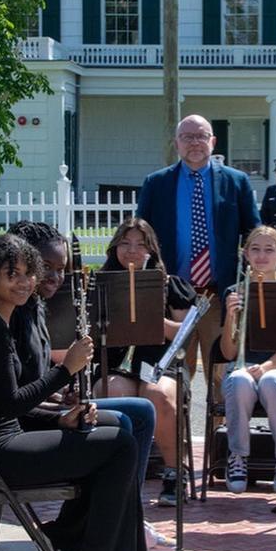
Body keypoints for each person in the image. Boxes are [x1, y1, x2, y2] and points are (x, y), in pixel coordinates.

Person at [0, 234, 146, 551]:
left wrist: (62, 420)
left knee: (111, 430)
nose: (24, 282)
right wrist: (66, 370)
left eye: (28, 273)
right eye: (13, 274)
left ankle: (69, 544)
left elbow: (1, 406)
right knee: (120, 446)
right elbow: (8, 405)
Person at [3, 221, 172, 551]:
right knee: (121, 427)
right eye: (45, 268)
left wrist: (62, 396)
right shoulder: (12, 317)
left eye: (61, 269)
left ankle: (123, 515)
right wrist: (64, 383)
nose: (55, 278)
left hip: (38, 415)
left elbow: (32, 384)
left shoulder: (36, 309)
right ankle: (107, 529)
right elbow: (13, 401)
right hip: (24, 433)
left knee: (141, 412)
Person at [135, 114, 259, 382]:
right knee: (176, 376)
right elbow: (141, 235)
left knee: (220, 377)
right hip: (174, 300)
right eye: (187, 137)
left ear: (213, 141)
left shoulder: (236, 182)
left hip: (218, 297)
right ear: (176, 143)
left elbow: (253, 235)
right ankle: (179, 426)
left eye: (201, 136)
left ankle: (218, 426)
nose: (194, 143)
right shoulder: (156, 183)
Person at [94, 217, 196, 509]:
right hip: (118, 364)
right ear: (114, 248)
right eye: (125, 243)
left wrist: (151, 315)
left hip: (160, 365)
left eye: (140, 244)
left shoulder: (171, 285)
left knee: (156, 395)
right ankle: (119, 474)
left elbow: (184, 332)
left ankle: (175, 472)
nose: (132, 250)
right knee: (110, 392)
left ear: (152, 250)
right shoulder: (101, 285)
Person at [220, 226, 276, 494]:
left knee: (273, 382)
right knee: (239, 381)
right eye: (255, 249)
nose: (262, 256)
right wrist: (231, 316)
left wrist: (265, 367)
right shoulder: (235, 291)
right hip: (241, 367)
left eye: (269, 250)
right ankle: (237, 456)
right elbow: (229, 353)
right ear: (246, 254)